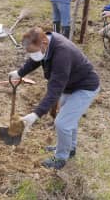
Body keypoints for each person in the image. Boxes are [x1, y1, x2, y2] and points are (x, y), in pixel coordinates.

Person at [8, 27, 100, 169]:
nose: (33, 55)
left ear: (44, 43)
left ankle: (61, 157)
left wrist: (35, 114)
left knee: (62, 123)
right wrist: (20, 73)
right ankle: (70, 148)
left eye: (34, 52)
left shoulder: (62, 54)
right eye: (30, 53)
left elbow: (54, 90)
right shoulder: (46, 43)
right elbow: (35, 60)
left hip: (84, 87)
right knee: (69, 120)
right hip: (70, 85)